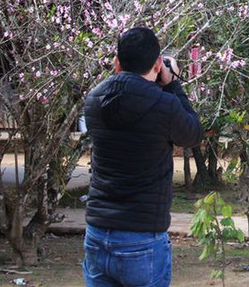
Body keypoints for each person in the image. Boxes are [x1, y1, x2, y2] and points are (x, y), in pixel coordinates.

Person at [82, 27, 204, 285]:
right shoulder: (164, 104)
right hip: (142, 236)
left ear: (117, 62)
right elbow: (192, 134)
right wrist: (173, 85)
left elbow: (122, 95)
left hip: (97, 232)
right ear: (158, 63)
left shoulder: (93, 99)